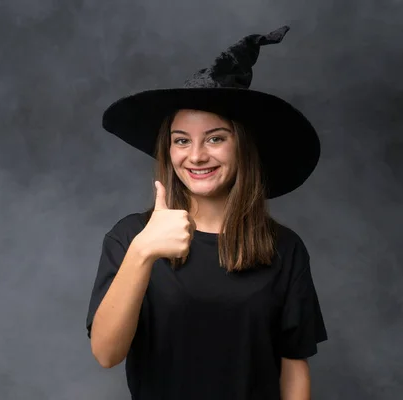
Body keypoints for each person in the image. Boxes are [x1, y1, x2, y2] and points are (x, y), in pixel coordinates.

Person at [86, 25, 328, 400]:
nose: (196, 155)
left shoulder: (284, 248)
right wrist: (142, 252)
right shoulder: (131, 236)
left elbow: (293, 366)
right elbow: (106, 354)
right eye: (181, 140)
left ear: (242, 148)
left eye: (215, 138)